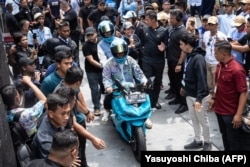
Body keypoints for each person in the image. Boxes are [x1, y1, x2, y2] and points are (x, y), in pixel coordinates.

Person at [32, 92, 105, 159]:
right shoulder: (45, 138)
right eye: (63, 114)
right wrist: (69, 160)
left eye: (68, 113)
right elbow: (53, 161)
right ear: (51, 113)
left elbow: (74, 124)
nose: (67, 117)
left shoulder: (57, 120)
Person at [102, 38, 152, 128]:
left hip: (131, 86)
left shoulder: (131, 60)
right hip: (116, 88)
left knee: (143, 96)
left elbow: (139, 73)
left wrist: (144, 81)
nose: (120, 55)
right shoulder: (108, 64)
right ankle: (106, 110)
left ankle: (145, 117)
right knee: (107, 98)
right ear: (113, 52)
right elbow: (106, 78)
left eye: (122, 53)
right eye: (118, 54)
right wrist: (108, 87)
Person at [208, 40, 248, 150]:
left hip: (230, 113)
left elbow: (243, 93)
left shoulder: (237, 70)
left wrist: (238, 115)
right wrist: (213, 98)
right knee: (224, 137)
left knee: (234, 141)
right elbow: (217, 84)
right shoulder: (220, 66)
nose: (214, 55)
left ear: (224, 54)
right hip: (219, 110)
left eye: (215, 53)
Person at [179, 33, 211, 151]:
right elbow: (187, 74)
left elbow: (202, 81)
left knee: (202, 120)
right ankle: (198, 140)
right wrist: (184, 87)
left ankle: (207, 142)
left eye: (182, 44)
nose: (180, 47)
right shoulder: (189, 56)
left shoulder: (198, 59)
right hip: (189, 94)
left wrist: (199, 99)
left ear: (188, 45)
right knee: (194, 118)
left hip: (199, 97)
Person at [140, 10, 167, 110]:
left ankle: (154, 101)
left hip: (159, 60)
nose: (146, 21)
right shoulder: (145, 29)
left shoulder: (163, 31)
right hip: (147, 60)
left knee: (157, 81)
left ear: (154, 20)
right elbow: (142, 43)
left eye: (147, 20)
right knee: (147, 81)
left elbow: (166, 44)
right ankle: (148, 100)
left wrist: (164, 48)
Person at [165, 8, 188, 114]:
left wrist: (179, 63)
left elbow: (184, 50)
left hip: (178, 61)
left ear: (178, 19)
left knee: (180, 83)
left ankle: (184, 103)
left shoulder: (183, 32)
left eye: (172, 18)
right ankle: (177, 98)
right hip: (170, 59)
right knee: (173, 81)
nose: (170, 20)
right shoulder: (172, 28)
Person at [82, 27, 104, 116]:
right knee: (94, 89)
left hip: (103, 69)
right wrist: (103, 66)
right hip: (92, 70)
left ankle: (102, 102)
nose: (90, 37)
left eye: (92, 35)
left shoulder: (102, 41)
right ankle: (97, 107)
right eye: (88, 36)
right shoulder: (86, 46)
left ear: (96, 33)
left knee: (103, 87)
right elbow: (90, 60)